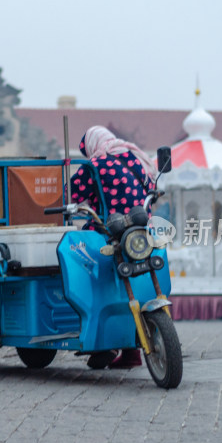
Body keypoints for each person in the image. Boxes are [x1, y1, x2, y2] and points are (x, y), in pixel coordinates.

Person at [70, 126, 157, 369]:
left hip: (108, 230)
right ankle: (132, 353)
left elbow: (71, 194)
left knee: (83, 266)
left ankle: (102, 341)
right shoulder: (134, 157)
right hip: (140, 232)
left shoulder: (95, 164)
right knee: (139, 285)